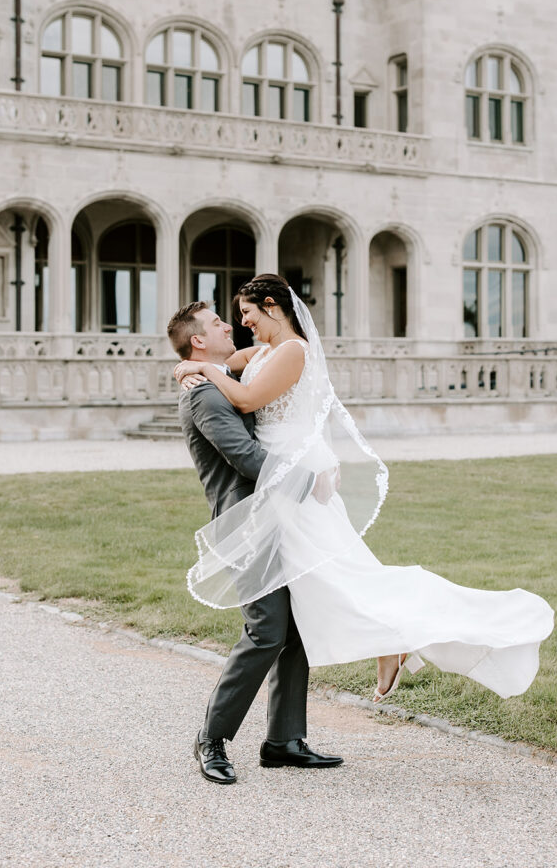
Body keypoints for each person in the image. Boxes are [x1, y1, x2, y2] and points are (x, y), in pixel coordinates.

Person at [172, 274, 555, 715]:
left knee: (339, 578)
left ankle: (394, 639)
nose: (241, 323)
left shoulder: (294, 350)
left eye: (247, 313)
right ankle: (376, 653)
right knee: (320, 590)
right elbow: (228, 363)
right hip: (280, 480)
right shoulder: (264, 352)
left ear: (273, 306)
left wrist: (200, 367)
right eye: (233, 317)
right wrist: (191, 364)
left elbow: (244, 400)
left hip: (292, 480)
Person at [167, 301, 343, 785]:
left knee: (294, 626)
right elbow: (245, 456)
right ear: (199, 339)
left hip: (276, 517)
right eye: (219, 323)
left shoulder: (214, 373)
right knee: (266, 628)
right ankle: (212, 737)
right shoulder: (203, 395)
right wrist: (311, 481)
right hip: (243, 524)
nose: (231, 326)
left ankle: (283, 741)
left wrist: (189, 363)